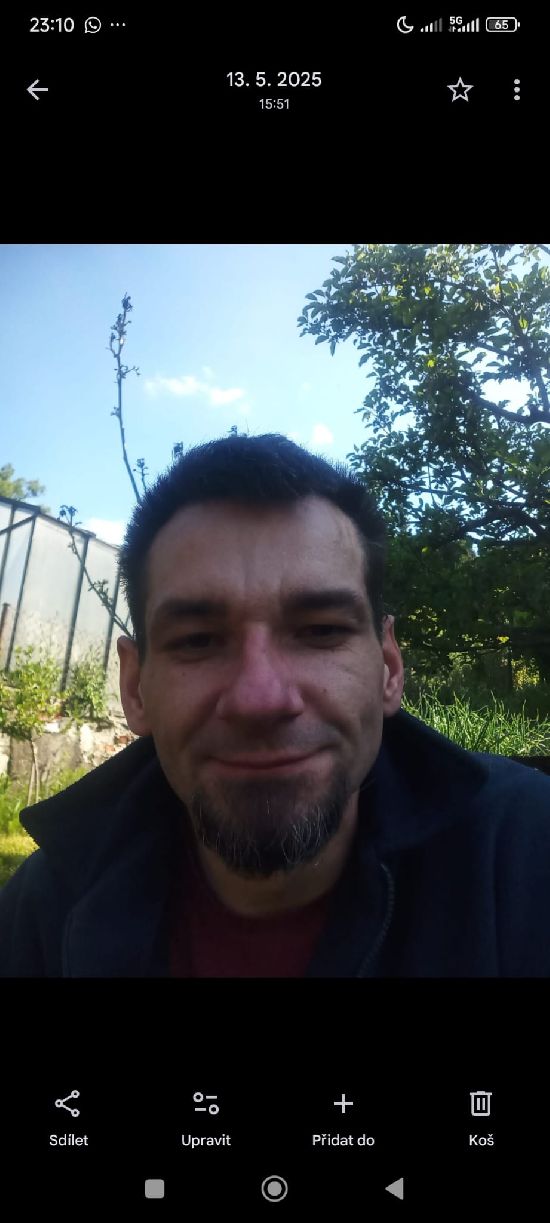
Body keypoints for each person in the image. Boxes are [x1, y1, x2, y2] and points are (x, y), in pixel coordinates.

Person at [1, 433, 549, 977]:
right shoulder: (36, 919)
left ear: (388, 668)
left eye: (321, 630)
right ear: (135, 687)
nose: (260, 699)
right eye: (198, 640)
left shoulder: (528, 852)